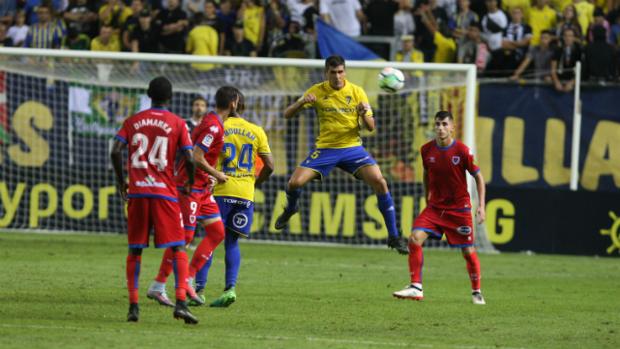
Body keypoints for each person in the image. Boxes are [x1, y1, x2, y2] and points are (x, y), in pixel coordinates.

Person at [273, 55, 409, 255]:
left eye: (340, 72)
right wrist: (301, 102)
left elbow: (371, 128)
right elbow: (287, 114)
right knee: (294, 183)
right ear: (326, 73)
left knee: (380, 181)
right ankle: (291, 208)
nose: (337, 76)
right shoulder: (316, 91)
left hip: (352, 149)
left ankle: (394, 236)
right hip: (326, 149)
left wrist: (364, 113)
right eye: (333, 72)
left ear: (345, 72)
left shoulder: (357, 92)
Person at [110, 76, 198, 324]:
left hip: (137, 192)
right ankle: (181, 302)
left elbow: (115, 151)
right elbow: (190, 158)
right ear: (170, 97)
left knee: (135, 249)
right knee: (178, 246)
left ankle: (133, 307)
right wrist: (190, 181)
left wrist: (121, 181)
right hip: (164, 193)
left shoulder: (133, 121)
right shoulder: (178, 123)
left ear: (149, 95)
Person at [146, 87, 238, 308]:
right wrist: (217, 174)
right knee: (183, 240)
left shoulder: (213, 123)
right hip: (190, 189)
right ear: (233, 103)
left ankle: (187, 278)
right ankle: (158, 286)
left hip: (203, 188)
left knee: (217, 232)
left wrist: (210, 176)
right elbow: (196, 156)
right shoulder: (213, 126)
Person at [392, 111, 486, 305]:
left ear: (452, 127)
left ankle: (476, 291)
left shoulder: (462, 151)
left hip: (459, 210)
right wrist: (427, 194)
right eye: (437, 124)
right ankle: (416, 287)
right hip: (435, 208)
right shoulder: (426, 150)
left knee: (468, 252)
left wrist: (481, 206)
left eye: (444, 124)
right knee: (414, 239)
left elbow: (478, 177)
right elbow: (427, 173)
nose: (440, 128)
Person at [196, 89, 275, 307]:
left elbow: (201, 157)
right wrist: (253, 183)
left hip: (222, 191)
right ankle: (230, 288)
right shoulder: (257, 130)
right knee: (232, 242)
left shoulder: (219, 127)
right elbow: (270, 166)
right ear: (241, 104)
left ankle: (199, 290)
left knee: (210, 240)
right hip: (245, 194)